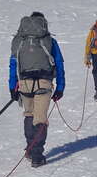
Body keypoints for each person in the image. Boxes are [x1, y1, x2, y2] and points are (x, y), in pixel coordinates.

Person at [9, 11, 65, 168]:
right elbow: (59, 63)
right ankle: (37, 155)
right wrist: (60, 87)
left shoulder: (19, 41)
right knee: (40, 118)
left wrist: (11, 86)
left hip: (24, 83)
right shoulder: (49, 41)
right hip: (44, 83)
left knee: (29, 114)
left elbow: (13, 64)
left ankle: (30, 148)